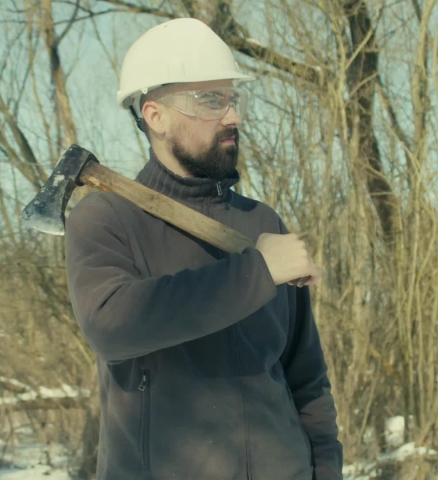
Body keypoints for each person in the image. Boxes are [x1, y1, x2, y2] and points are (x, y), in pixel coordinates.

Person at [65, 17, 343, 480]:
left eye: (233, 99)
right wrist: (257, 273)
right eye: (211, 100)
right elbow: (110, 326)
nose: (232, 116)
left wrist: (326, 470)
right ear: (155, 115)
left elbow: (305, 376)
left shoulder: (262, 224)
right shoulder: (107, 220)